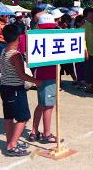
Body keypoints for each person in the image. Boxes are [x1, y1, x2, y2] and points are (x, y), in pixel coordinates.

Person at [0, 24, 42, 156]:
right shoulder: (15, 55)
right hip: (15, 89)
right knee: (23, 118)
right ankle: (12, 146)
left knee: (9, 117)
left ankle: (11, 141)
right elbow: (21, 75)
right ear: (19, 37)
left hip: (5, 88)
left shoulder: (4, 51)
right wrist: (36, 81)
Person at [28, 14, 57, 144]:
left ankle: (34, 131)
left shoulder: (34, 36)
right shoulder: (53, 37)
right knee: (48, 105)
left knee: (41, 104)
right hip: (49, 75)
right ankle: (46, 134)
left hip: (39, 74)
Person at [83, 7, 93, 93]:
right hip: (88, 52)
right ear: (85, 17)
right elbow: (83, 40)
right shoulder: (84, 27)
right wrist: (85, 51)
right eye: (90, 16)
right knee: (89, 69)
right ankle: (88, 87)